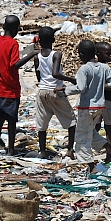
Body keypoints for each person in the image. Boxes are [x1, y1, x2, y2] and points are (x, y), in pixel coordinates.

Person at [67, 40, 111, 173]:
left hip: (86, 108)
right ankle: (108, 147)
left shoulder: (84, 69)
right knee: (90, 132)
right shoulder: (104, 68)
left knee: (81, 137)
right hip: (99, 107)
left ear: (81, 54)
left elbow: (80, 87)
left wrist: (64, 90)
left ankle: (91, 167)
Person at [0, 15, 39, 158]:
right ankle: (10, 150)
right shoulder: (13, 44)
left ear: (4, 27)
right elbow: (14, 65)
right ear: (16, 29)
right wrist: (31, 54)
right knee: (11, 121)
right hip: (11, 88)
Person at [33, 27, 77, 160]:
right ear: (53, 39)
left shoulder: (37, 56)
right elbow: (55, 73)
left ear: (39, 40)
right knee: (71, 121)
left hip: (42, 91)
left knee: (42, 123)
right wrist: (71, 79)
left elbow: (38, 76)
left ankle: (42, 151)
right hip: (55, 91)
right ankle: (70, 149)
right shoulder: (56, 54)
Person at [94, 42, 111, 146]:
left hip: (104, 100)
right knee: (100, 125)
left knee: (106, 125)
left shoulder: (106, 68)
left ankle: (108, 145)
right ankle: (103, 145)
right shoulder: (98, 68)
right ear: (98, 54)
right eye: (107, 53)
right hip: (103, 100)